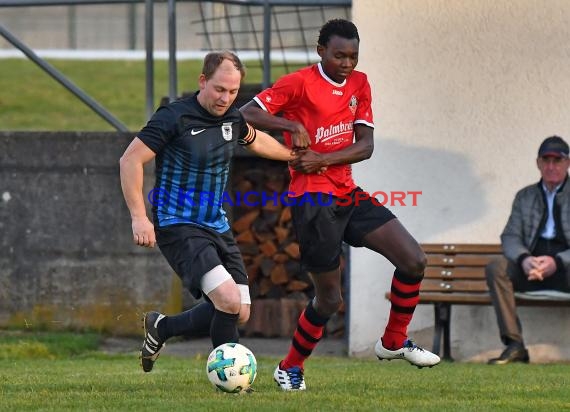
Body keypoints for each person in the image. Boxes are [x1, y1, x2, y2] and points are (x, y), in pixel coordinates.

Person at [240, 18, 440, 391]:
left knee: (414, 260)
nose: (347, 63)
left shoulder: (360, 83)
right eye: (339, 56)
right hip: (311, 201)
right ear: (321, 52)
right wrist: (287, 125)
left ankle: (393, 341)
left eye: (353, 56)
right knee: (330, 300)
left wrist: (323, 160)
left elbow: (366, 147)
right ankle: (289, 367)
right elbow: (247, 113)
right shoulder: (298, 83)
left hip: (347, 193)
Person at [119, 51, 295, 373]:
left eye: (232, 92)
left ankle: (162, 328)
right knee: (227, 300)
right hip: (178, 224)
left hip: (217, 224)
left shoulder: (233, 118)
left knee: (239, 311)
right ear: (203, 81)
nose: (225, 98)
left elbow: (255, 141)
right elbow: (130, 160)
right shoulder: (174, 117)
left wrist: (293, 156)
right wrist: (139, 217)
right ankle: (230, 380)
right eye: (219, 89)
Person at [486, 135, 570, 365]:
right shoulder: (525, 197)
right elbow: (511, 236)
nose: (551, 166)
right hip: (531, 268)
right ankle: (515, 346)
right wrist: (524, 260)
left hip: (565, 269)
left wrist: (557, 262)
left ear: (568, 163)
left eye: (558, 160)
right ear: (538, 163)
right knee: (496, 267)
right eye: (546, 160)